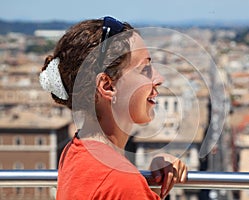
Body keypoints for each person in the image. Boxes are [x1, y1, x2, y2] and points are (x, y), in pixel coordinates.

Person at [39, 16, 187, 199]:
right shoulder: (121, 181)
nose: (159, 78)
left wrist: (152, 185)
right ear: (107, 86)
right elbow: (119, 188)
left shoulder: (75, 151)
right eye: (145, 69)